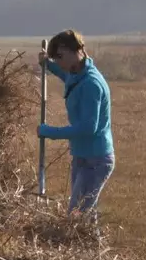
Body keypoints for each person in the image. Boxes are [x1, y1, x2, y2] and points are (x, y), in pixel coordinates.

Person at [37, 29, 115, 221]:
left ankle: (86, 241)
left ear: (75, 50)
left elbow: (89, 128)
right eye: (55, 58)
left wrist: (50, 132)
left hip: (96, 160)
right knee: (84, 216)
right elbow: (68, 79)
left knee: (77, 215)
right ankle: (91, 241)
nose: (59, 62)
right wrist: (48, 65)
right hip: (82, 156)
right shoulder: (78, 73)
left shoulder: (91, 84)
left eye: (60, 57)